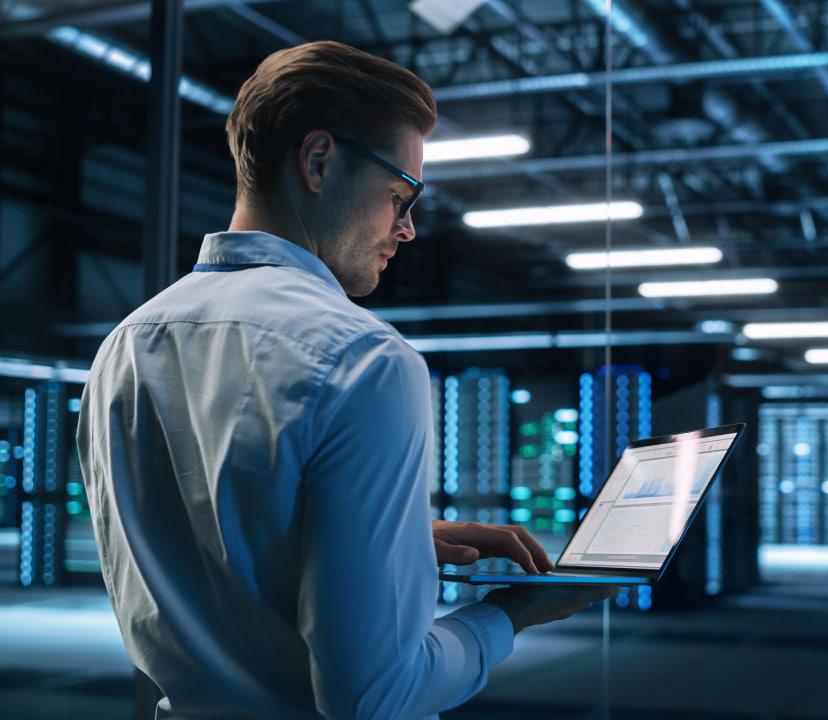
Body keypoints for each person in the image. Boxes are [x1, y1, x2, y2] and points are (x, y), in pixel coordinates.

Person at [77, 40, 612, 720]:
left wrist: (391, 540)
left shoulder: (124, 346)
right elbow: (371, 700)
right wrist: (509, 616)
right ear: (319, 160)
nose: (409, 229)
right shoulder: (364, 360)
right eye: (399, 194)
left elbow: (218, 559)